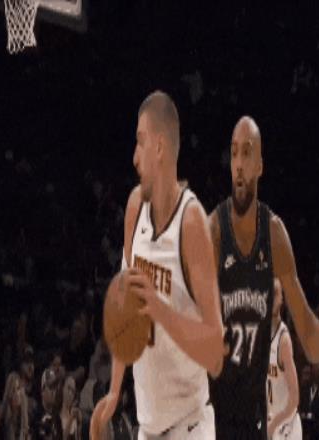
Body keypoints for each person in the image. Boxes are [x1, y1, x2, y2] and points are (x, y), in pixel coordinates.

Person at [90, 90, 224, 439]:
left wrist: (160, 309)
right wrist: (114, 391)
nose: (134, 156)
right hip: (148, 428)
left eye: (140, 142)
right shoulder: (135, 208)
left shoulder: (191, 223)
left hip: (190, 426)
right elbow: (125, 312)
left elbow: (215, 354)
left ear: (160, 148)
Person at [209, 116, 319, 439]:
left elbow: (310, 341)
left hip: (258, 415)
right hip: (218, 407)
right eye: (234, 153)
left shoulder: (274, 233)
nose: (238, 163)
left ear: (260, 166)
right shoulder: (214, 228)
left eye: (247, 153)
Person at [266, 278, 302, 440]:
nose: (272, 298)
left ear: (281, 299)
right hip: (271, 419)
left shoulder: (283, 340)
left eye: (275, 294)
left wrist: (274, 424)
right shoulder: (260, 335)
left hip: (287, 425)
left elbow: (295, 398)